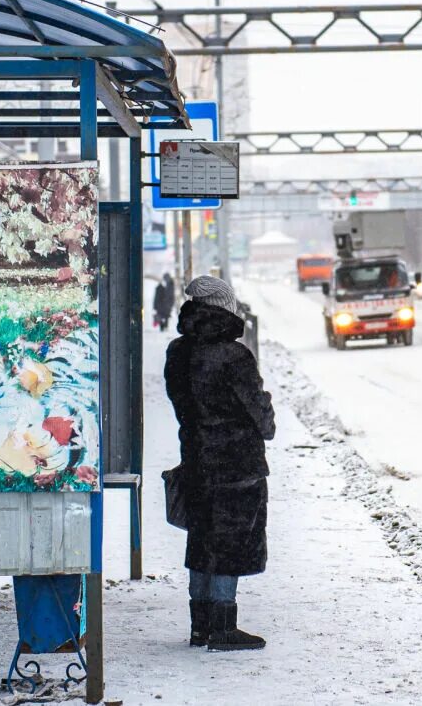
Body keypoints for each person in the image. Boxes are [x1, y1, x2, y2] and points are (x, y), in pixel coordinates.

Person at [164, 275, 275, 651]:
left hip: (195, 458)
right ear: (224, 306)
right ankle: (224, 628)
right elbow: (259, 413)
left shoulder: (177, 352)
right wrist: (266, 419)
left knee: (202, 539)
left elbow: (182, 405)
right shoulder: (234, 355)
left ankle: (199, 627)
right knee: (230, 543)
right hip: (236, 463)